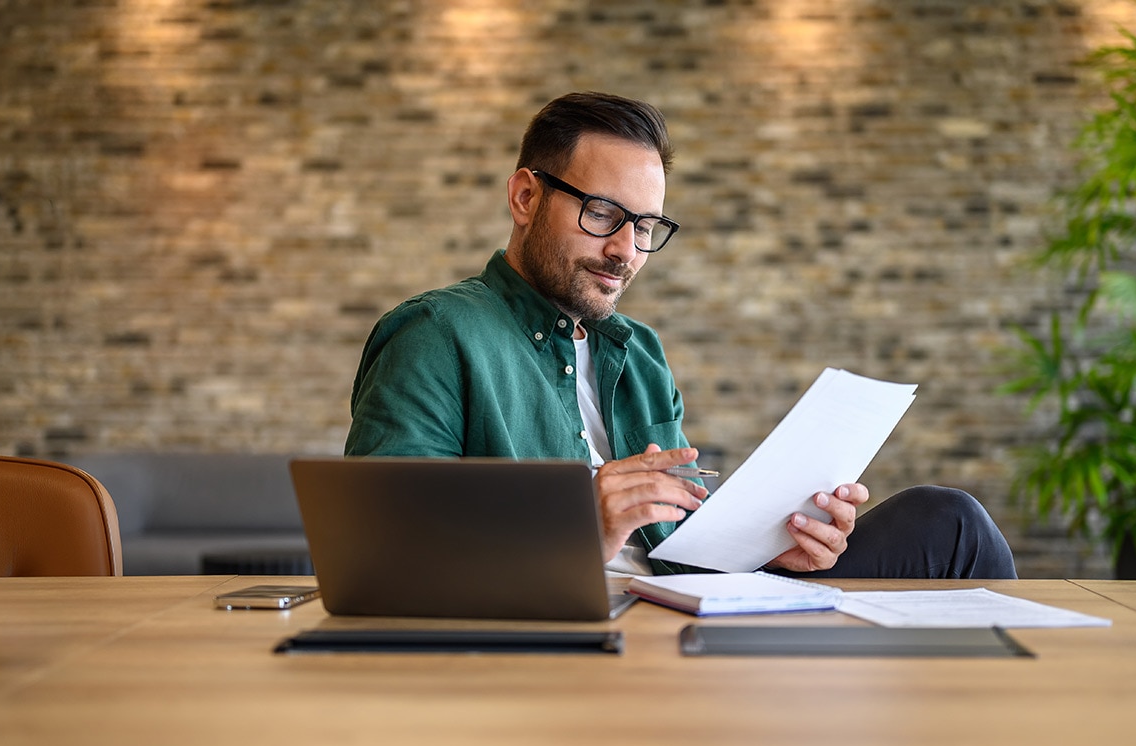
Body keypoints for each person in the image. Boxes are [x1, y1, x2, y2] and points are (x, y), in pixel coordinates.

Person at [345, 91, 1017, 579]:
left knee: (949, 521)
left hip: (682, 602)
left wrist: (770, 547)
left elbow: (678, 538)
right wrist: (578, 530)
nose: (625, 250)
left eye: (644, 226)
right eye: (603, 213)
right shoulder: (436, 334)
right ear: (526, 197)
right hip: (572, 636)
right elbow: (379, 551)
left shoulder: (638, 353)